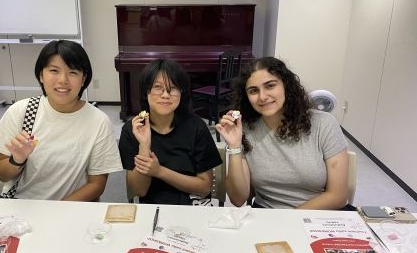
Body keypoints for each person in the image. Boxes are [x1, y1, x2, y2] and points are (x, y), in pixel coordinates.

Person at [0, 40, 122, 201]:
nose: (63, 80)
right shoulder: (22, 111)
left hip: (71, 209)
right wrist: (16, 160)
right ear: (41, 75)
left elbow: (96, 185)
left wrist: (55, 212)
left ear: (84, 79)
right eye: (54, 70)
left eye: (72, 72)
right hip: (23, 207)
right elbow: (1, 174)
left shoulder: (98, 121)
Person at [216, 57, 350, 210]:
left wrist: (288, 222)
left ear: (286, 85)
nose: (262, 97)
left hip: (319, 216)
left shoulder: (323, 123)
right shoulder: (244, 129)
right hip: (268, 217)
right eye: (253, 91)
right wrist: (234, 147)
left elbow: (337, 196)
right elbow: (238, 199)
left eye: (270, 86)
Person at [119, 59, 221, 205]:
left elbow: (204, 188)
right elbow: (138, 190)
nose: (165, 95)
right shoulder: (132, 129)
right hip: (153, 209)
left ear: (182, 93)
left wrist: (159, 171)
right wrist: (144, 146)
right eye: (157, 87)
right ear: (145, 92)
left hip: (193, 207)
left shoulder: (196, 127)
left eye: (172, 88)